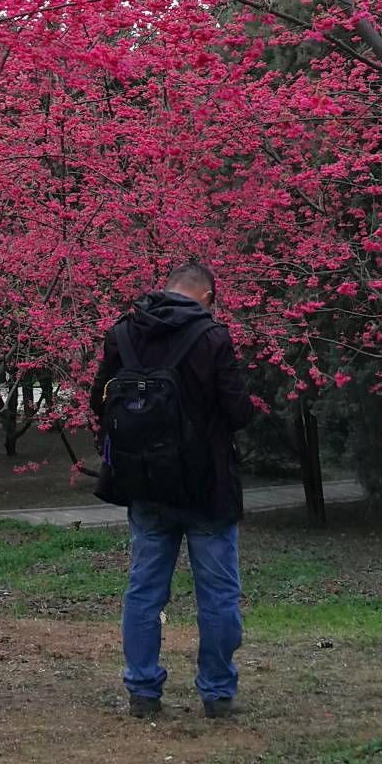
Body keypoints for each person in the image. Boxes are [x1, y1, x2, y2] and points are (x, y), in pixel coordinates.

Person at [89, 261, 254, 720]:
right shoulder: (213, 337)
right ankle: (217, 693)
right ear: (207, 297)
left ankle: (142, 691)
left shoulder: (123, 333)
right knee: (217, 595)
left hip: (145, 484)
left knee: (144, 590)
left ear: (168, 288)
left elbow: (99, 400)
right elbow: (238, 411)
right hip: (207, 488)